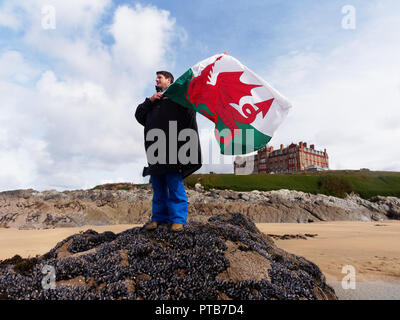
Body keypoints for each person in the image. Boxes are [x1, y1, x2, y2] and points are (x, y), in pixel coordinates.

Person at [135, 71, 202, 232]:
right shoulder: (153, 102)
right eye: (156, 78)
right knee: (158, 188)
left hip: (174, 151)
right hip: (155, 151)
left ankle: (178, 220)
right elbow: (139, 115)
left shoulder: (177, 99)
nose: (156, 80)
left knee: (175, 186)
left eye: (160, 77)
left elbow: (190, 108)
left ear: (169, 81)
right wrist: (149, 101)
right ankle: (158, 218)